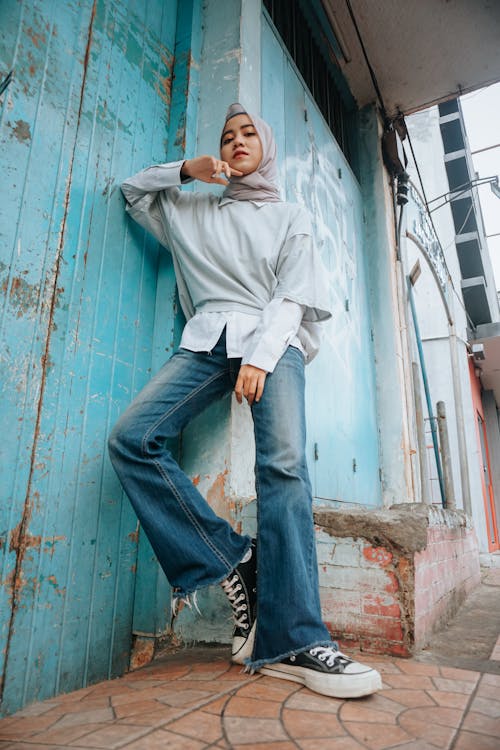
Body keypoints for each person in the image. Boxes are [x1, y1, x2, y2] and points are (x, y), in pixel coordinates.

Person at [108, 103, 382, 699]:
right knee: (131, 438)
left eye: (248, 132)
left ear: (268, 145)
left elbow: (292, 295)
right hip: (208, 339)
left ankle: (298, 640)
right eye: (227, 134)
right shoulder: (192, 209)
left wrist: (259, 358)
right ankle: (234, 560)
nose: (236, 141)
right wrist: (187, 168)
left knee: (283, 469)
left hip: (272, 337)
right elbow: (132, 191)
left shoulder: (291, 215)